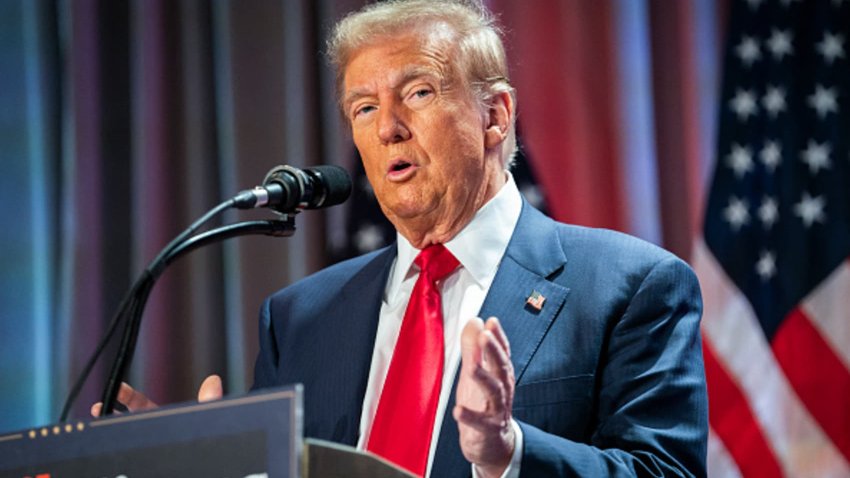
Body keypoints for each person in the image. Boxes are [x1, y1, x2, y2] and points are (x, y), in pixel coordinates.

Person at [96, 1, 708, 476]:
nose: (388, 128)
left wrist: (508, 452)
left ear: (494, 115)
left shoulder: (629, 287)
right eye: (363, 108)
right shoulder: (300, 318)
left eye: (418, 93)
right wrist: (211, 465)